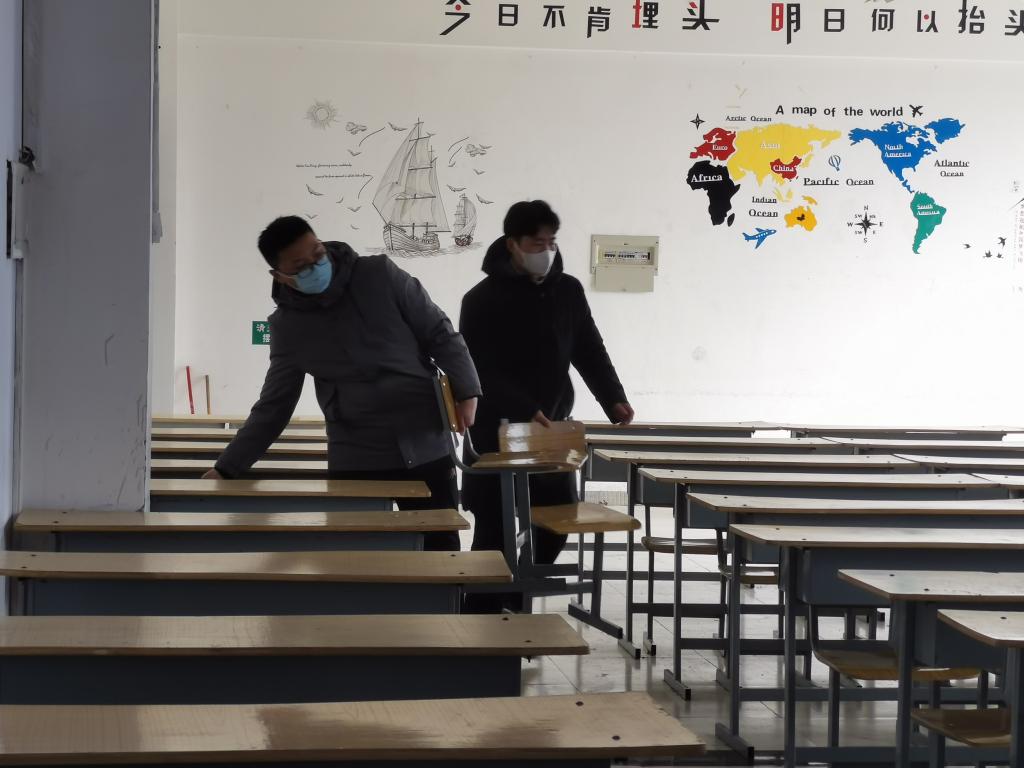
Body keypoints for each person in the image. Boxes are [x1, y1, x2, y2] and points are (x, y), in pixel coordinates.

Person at [204, 215, 480, 551]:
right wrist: (227, 468)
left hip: (424, 437)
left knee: (441, 547)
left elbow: (439, 331)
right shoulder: (288, 327)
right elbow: (274, 406)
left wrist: (467, 389)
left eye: (317, 254)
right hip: (357, 453)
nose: (315, 266)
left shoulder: (379, 275)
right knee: (357, 556)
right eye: (300, 266)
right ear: (279, 276)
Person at [458, 200, 633, 578]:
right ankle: (486, 604)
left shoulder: (567, 291)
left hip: (550, 429)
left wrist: (613, 397)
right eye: (537, 243)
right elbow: (477, 369)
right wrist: (523, 406)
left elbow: (589, 348)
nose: (547, 251)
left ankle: (519, 589)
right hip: (495, 431)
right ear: (512, 244)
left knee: (557, 522)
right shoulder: (481, 300)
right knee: (494, 530)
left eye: (551, 242)